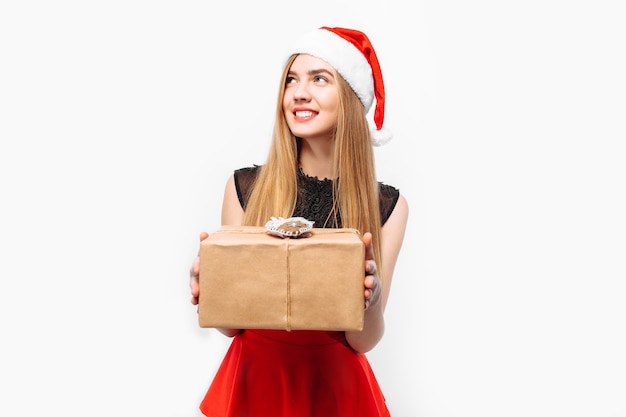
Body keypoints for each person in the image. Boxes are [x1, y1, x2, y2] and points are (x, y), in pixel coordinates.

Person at [189, 26, 409, 417]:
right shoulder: (245, 187)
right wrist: (214, 291)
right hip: (256, 380)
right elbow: (233, 327)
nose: (298, 92)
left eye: (319, 79)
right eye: (291, 80)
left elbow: (363, 341)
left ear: (350, 96)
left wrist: (371, 302)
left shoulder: (387, 206)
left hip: (336, 387)